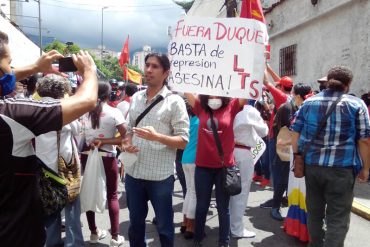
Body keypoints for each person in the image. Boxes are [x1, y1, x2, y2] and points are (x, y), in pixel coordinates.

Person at [0, 30, 98, 247]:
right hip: (14, 233)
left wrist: (35, 67)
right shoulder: (13, 114)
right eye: (9, 64)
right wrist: (90, 70)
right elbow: (88, 100)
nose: (11, 71)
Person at [291, 66, 370, 247]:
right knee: (338, 218)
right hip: (342, 170)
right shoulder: (356, 104)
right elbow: (365, 140)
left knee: (315, 213)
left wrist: (298, 156)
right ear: (348, 84)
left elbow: (295, 133)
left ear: (327, 80)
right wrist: (366, 168)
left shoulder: (309, 103)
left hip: (312, 167)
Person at [122, 53, 189, 247]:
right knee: (135, 225)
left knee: (165, 228)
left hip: (160, 176)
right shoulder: (135, 98)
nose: (149, 70)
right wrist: (126, 144)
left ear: (166, 73)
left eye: (155, 67)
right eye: (147, 65)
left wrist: (156, 137)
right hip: (134, 173)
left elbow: (183, 140)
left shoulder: (174, 102)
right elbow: (128, 129)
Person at [184, 92, 247, 247]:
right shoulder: (200, 106)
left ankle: (224, 242)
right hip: (203, 168)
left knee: (223, 207)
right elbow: (185, 88)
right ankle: (198, 238)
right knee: (202, 205)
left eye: (216, 95)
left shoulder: (232, 107)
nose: (214, 99)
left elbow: (247, 91)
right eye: (210, 96)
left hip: (224, 169)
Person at [34, 74, 84, 247]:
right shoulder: (63, 108)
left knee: (49, 210)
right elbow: (78, 129)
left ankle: (52, 243)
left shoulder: (32, 107)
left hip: (42, 169)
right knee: (71, 208)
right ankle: (73, 243)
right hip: (64, 168)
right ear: (63, 91)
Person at [80, 81, 127, 247]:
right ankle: (115, 237)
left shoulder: (83, 112)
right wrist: (105, 140)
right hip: (107, 156)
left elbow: (80, 136)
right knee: (112, 194)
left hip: (87, 155)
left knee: (90, 191)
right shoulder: (114, 112)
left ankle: (93, 232)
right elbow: (125, 137)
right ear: (109, 95)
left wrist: (95, 140)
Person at [278, 83, 312, 242]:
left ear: (298, 95)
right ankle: (307, 230)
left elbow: (295, 133)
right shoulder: (314, 106)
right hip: (310, 158)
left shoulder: (303, 109)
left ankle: (298, 229)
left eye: (293, 94)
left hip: (298, 158)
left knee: (298, 191)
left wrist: (287, 144)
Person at [229, 101, 268, 238]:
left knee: (227, 189)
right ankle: (236, 228)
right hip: (242, 152)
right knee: (242, 191)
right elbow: (264, 131)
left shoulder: (225, 106)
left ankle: (228, 224)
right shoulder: (249, 110)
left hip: (227, 152)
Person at [180, 101, 199, 239]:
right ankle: (191, 227)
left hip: (185, 158)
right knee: (193, 193)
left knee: (188, 192)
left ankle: (185, 222)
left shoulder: (189, 120)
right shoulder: (199, 121)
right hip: (194, 160)